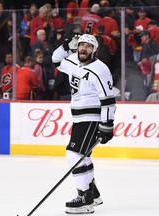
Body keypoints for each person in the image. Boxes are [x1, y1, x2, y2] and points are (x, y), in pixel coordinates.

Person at [52, 34, 116, 214]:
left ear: (94, 50)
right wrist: (66, 46)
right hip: (79, 118)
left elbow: (108, 99)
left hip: (92, 117)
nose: (84, 49)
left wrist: (107, 124)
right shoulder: (72, 60)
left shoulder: (100, 69)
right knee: (83, 157)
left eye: (88, 46)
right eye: (81, 45)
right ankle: (92, 193)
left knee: (74, 155)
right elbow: (56, 60)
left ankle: (84, 198)